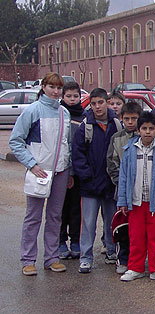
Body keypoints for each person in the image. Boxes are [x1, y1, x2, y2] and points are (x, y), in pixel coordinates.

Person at [10, 73, 71, 275]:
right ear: (43, 87)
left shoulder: (64, 112)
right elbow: (16, 141)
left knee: (55, 216)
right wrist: (32, 164)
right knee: (33, 217)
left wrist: (68, 169)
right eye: (52, 87)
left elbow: (66, 144)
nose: (55, 91)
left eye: (58, 88)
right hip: (40, 171)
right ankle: (28, 260)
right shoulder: (33, 111)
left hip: (61, 172)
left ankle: (52, 258)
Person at [117, 112, 155, 281]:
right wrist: (122, 200)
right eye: (144, 128)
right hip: (135, 202)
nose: (148, 132)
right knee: (135, 236)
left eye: (151, 129)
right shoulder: (129, 149)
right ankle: (135, 267)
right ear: (138, 130)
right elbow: (124, 176)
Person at [72, 87, 123, 273]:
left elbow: (120, 153)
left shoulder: (116, 124)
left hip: (110, 184)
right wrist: (86, 176)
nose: (97, 107)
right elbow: (78, 155)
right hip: (90, 186)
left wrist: (116, 178)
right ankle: (85, 257)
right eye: (93, 104)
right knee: (88, 223)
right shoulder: (85, 126)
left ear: (107, 102)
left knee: (111, 221)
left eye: (100, 102)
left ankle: (111, 251)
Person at [106, 101, 143, 273]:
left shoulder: (145, 136)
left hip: (141, 191)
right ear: (121, 119)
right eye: (127, 118)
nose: (130, 122)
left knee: (139, 229)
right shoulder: (117, 138)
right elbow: (112, 162)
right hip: (122, 191)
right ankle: (122, 259)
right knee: (123, 227)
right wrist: (121, 182)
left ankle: (139, 260)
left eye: (134, 119)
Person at [58, 81, 85, 260]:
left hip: (79, 170)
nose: (73, 99)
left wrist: (77, 172)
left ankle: (75, 240)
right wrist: (67, 172)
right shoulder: (59, 114)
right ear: (63, 97)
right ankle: (60, 241)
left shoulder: (84, 116)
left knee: (76, 208)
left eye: (76, 96)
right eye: (69, 96)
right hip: (61, 170)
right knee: (61, 208)